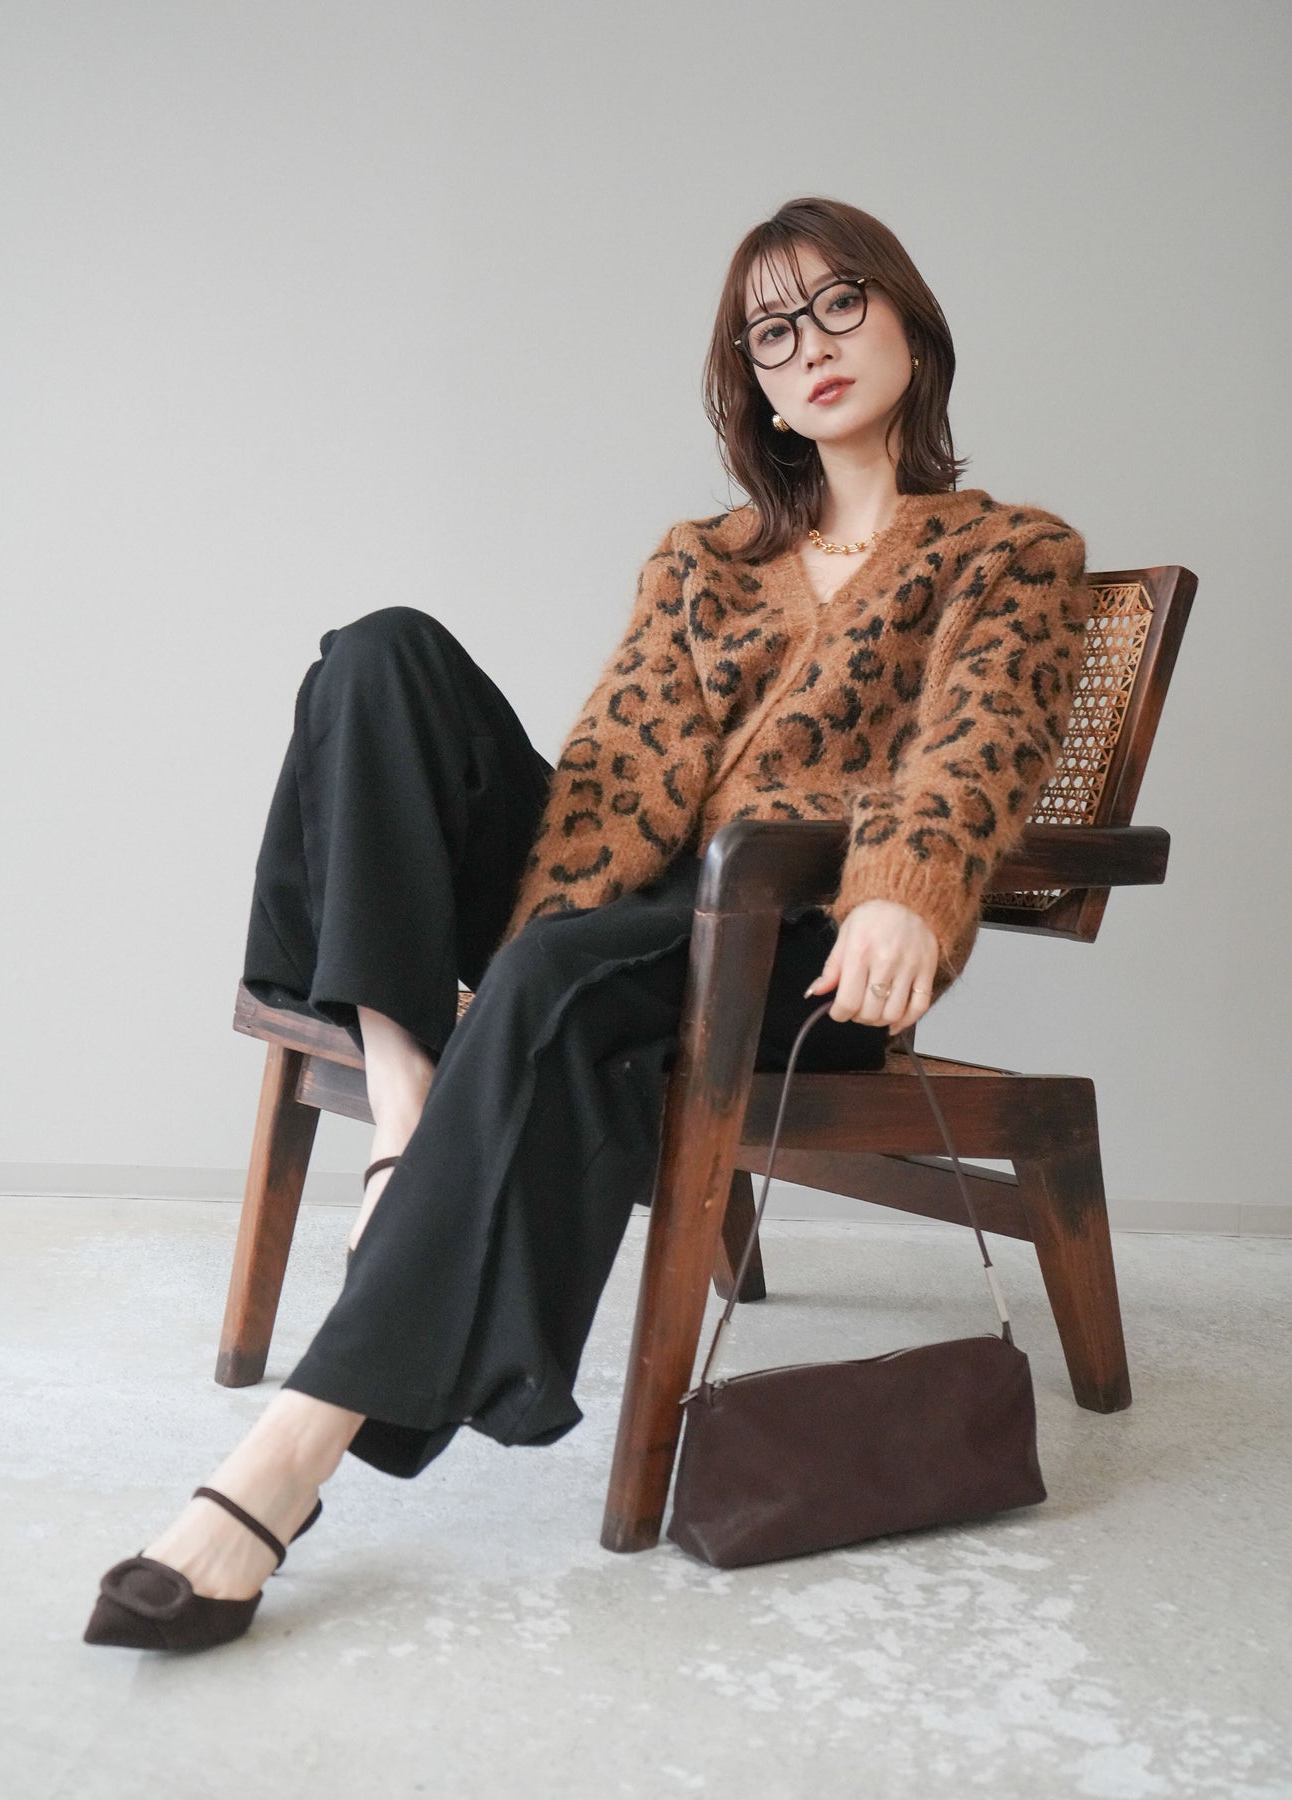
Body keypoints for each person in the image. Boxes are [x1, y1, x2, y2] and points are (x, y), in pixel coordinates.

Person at [84, 197, 1093, 1651]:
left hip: (799, 943)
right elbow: (613, 774)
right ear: (753, 385)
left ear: (910, 325)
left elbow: (981, 744)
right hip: (634, 915)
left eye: (839, 304)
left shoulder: (1006, 550)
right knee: (375, 656)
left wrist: (903, 893)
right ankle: (405, 1105)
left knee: (561, 969)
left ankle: (283, 1461)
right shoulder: (702, 558)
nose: (809, 346)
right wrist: (512, 972)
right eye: (771, 331)